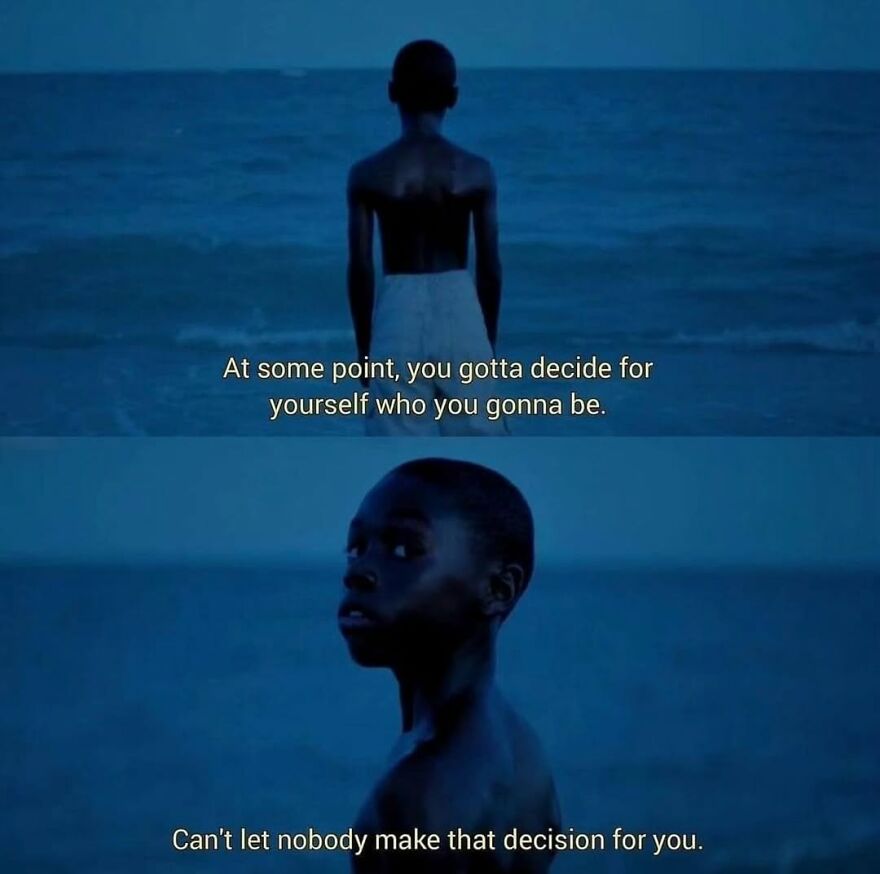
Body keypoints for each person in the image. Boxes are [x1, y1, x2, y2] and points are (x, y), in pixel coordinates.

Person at [338, 458, 560, 872]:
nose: (359, 573)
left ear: (497, 588)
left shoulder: (419, 791)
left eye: (404, 549)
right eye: (356, 547)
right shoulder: (523, 752)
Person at [346, 41, 506, 435]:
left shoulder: (368, 173)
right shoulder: (476, 171)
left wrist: (365, 352)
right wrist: (488, 342)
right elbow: (490, 269)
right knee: (481, 454)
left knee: (400, 454)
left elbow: (360, 269)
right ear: (453, 97)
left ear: (392, 92)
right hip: (460, 304)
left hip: (396, 309)